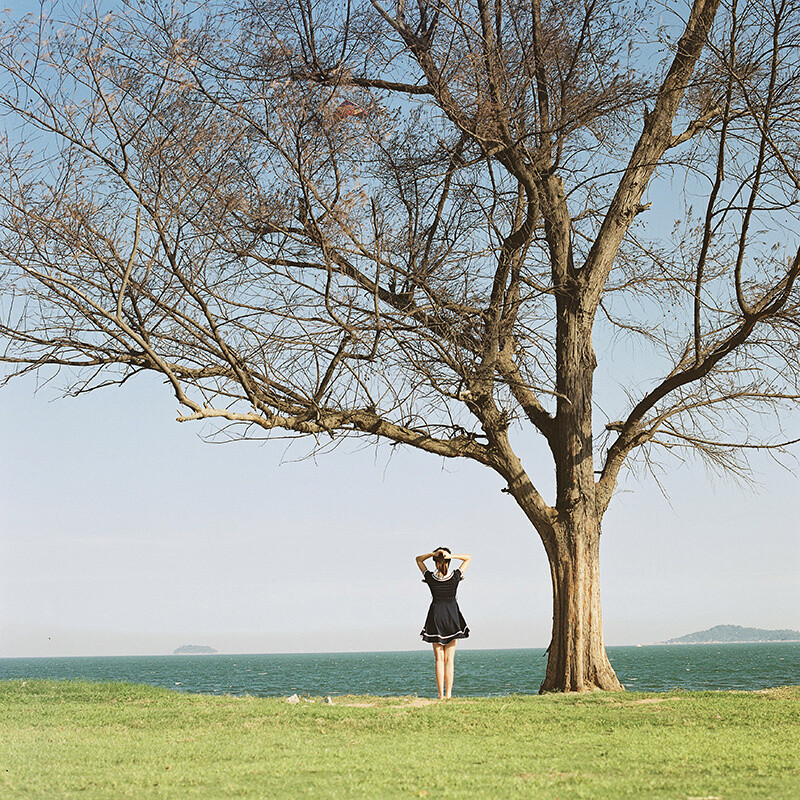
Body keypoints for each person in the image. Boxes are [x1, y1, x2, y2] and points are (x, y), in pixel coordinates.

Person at [415, 547, 471, 699]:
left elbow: (418, 559)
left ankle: (440, 695)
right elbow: (468, 557)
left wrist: (433, 554)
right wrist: (450, 555)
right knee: (449, 659)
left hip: (436, 616)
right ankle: (448, 695)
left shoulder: (431, 577)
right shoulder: (455, 576)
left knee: (439, 659)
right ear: (448, 560)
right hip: (452, 615)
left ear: (435, 561)